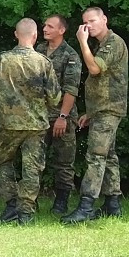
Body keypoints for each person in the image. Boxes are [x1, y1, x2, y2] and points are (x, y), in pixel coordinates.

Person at [0, 19, 62, 225]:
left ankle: (11, 206)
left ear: (15, 34)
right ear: (35, 36)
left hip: (8, 124)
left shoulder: (2, 60)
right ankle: (26, 213)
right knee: (32, 168)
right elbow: (55, 98)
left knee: (1, 161)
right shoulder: (44, 62)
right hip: (36, 125)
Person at [62, 7, 129, 224]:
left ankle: (86, 206)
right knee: (108, 156)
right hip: (102, 110)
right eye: (85, 22)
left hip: (109, 110)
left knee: (95, 157)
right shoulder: (101, 44)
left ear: (104, 19)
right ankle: (113, 204)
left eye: (92, 21)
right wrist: (90, 113)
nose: (88, 26)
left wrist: (82, 41)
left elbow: (94, 69)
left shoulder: (113, 42)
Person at [36, 15, 83, 215]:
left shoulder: (70, 55)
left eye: (50, 26)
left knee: (64, 162)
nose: (44, 28)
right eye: (44, 25)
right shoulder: (37, 50)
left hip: (61, 117)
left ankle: (61, 202)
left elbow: (71, 89)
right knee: (35, 160)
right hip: (38, 116)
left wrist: (63, 117)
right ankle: (31, 200)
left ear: (61, 30)